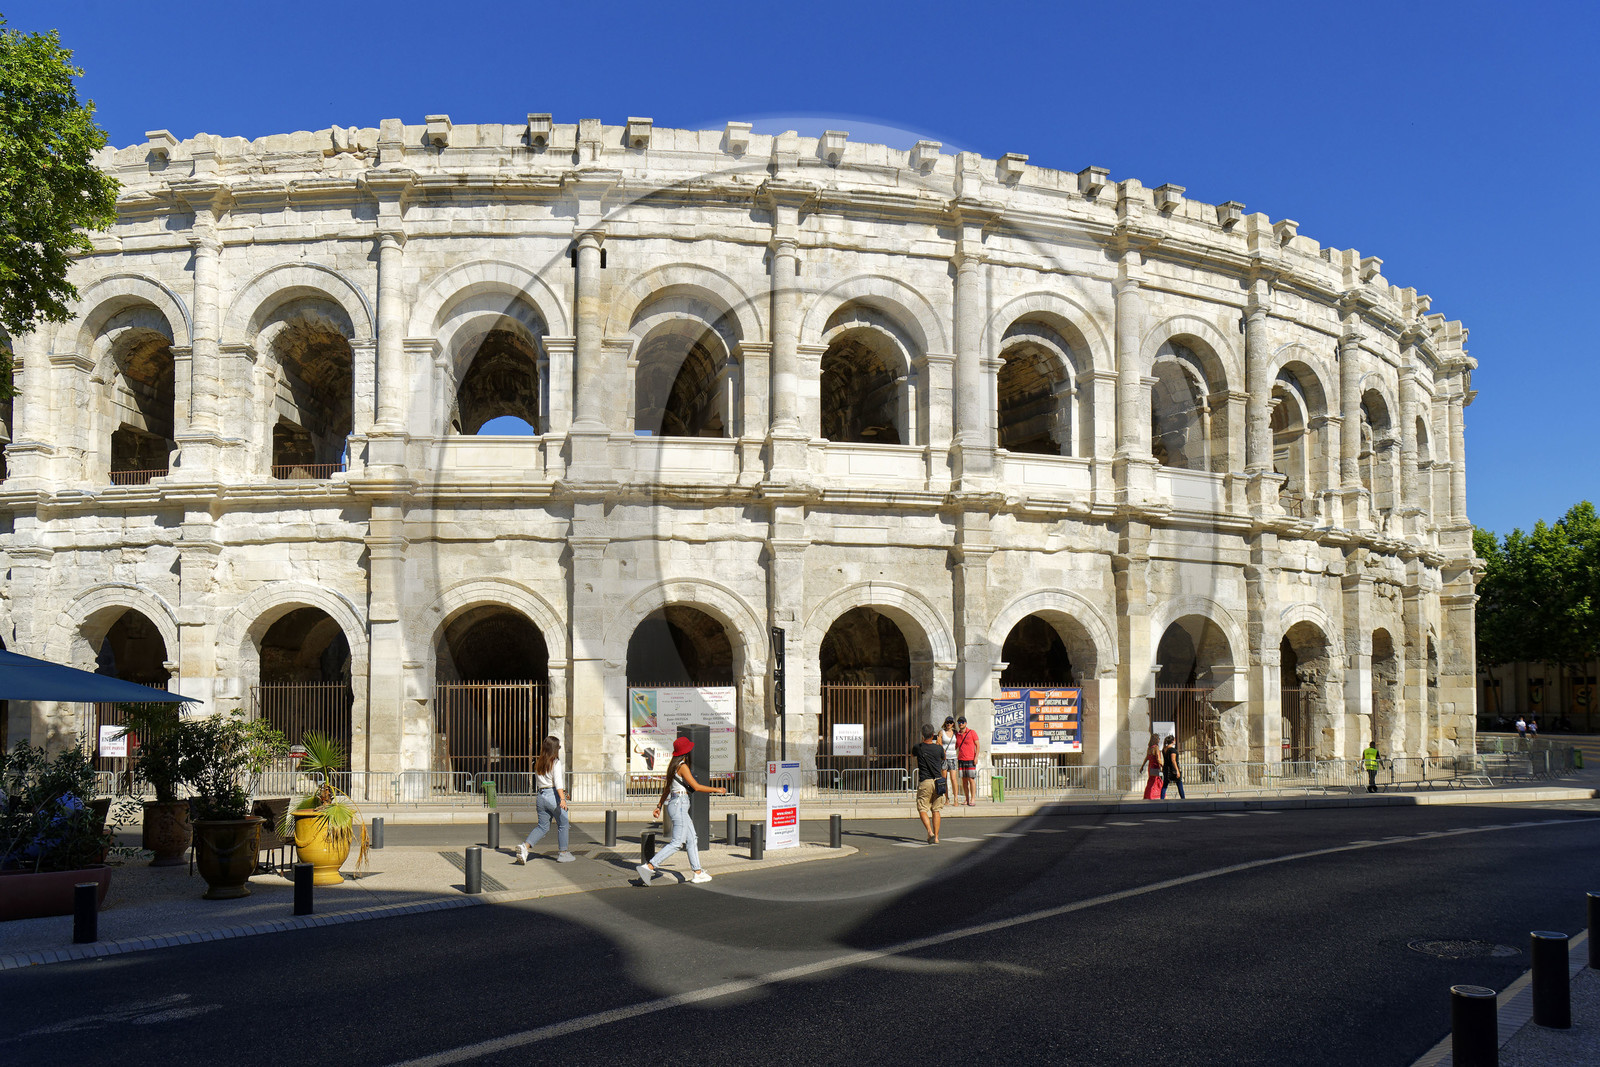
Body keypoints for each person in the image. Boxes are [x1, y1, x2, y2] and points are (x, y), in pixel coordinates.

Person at [636, 736, 727, 886]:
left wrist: (659, 806)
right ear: (686, 752)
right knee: (677, 842)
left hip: (675, 803)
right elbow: (696, 787)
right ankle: (649, 866)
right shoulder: (682, 766)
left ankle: (697, 872)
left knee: (692, 839)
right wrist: (717, 789)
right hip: (680, 804)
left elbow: (667, 789)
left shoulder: (673, 766)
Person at [518, 736, 575, 863]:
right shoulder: (555, 762)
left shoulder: (538, 762)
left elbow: (543, 782)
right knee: (563, 824)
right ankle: (563, 853)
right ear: (555, 749)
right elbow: (558, 783)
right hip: (553, 795)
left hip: (541, 795)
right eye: (558, 747)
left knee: (542, 826)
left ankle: (525, 847)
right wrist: (563, 799)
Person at [912, 722, 947, 844]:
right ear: (933, 735)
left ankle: (930, 831)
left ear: (923, 735)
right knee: (936, 810)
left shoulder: (918, 747)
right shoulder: (938, 748)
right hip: (938, 781)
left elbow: (912, 755)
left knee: (922, 808)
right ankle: (936, 837)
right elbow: (944, 757)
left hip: (925, 781)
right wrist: (939, 742)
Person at [955, 715, 980, 806]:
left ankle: (973, 798)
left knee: (971, 779)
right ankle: (967, 799)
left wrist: (976, 757)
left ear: (965, 723)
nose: (960, 724)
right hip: (961, 759)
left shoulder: (972, 732)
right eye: (959, 722)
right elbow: (955, 746)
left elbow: (977, 745)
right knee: (964, 781)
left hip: (970, 759)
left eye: (962, 722)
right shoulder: (957, 734)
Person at [939, 717, 959, 804]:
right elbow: (939, 742)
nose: (949, 724)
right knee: (944, 779)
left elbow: (958, 743)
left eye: (950, 722)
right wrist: (942, 751)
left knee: (953, 779)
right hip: (944, 757)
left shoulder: (955, 733)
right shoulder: (942, 732)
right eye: (947, 722)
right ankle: (946, 798)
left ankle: (956, 798)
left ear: (953, 724)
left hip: (953, 757)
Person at [1160, 734, 1185, 800]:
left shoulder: (1164, 749)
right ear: (1173, 741)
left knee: (1165, 785)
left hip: (1166, 768)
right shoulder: (1172, 750)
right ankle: (1183, 798)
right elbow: (1173, 760)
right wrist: (1177, 770)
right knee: (1179, 784)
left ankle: (1162, 798)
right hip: (1172, 770)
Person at [1139, 735, 1162, 800]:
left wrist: (1142, 766)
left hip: (1150, 766)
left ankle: (1147, 795)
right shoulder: (1156, 748)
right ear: (1156, 739)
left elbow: (1146, 758)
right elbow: (1158, 758)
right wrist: (1162, 765)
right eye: (1158, 738)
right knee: (1157, 780)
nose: (1159, 740)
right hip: (1155, 766)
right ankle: (1155, 795)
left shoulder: (1149, 748)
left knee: (1151, 781)